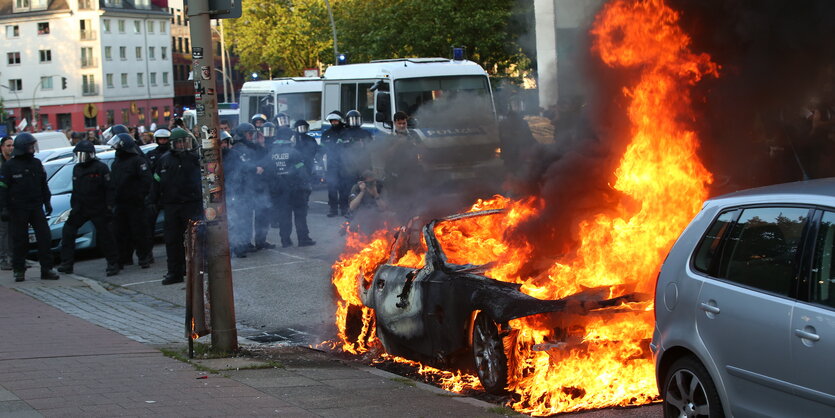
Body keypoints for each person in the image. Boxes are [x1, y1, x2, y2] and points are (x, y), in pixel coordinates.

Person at [0, 133, 59, 281]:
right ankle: (19, 270)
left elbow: (43, 185)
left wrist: (47, 201)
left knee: (45, 237)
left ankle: (47, 269)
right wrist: (4, 208)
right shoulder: (9, 166)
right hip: (17, 209)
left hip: (36, 207)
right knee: (20, 240)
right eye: (31, 146)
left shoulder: (36, 164)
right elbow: (3, 189)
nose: (33, 149)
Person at [57, 141, 120, 276]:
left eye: (83, 155)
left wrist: (109, 207)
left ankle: (113, 264)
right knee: (68, 232)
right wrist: (74, 207)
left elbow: (109, 188)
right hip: (81, 208)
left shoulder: (100, 167)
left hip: (99, 207)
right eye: (78, 155)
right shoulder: (77, 168)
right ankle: (67, 263)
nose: (81, 158)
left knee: (106, 236)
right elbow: (76, 189)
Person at [151, 128, 203, 285]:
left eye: (184, 142)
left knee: (195, 239)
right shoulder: (164, 160)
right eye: (178, 142)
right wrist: (152, 201)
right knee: (172, 240)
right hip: (172, 206)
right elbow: (156, 181)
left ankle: (197, 268)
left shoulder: (195, 159)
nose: (181, 145)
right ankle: (175, 272)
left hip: (191, 205)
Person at [109, 133, 154, 269]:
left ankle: (144, 257)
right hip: (121, 203)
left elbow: (147, 180)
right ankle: (124, 258)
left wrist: (141, 196)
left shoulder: (137, 161)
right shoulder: (116, 162)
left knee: (139, 231)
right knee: (121, 232)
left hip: (136, 203)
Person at [268, 129, 315, 247]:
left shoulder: (271, 153)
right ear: (289, 138)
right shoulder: (294, 153)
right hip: (296, 189)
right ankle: (303, 239)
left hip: (279, 190)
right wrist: (307, 184)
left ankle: (285, 240)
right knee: (300, 215)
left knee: (284, 216)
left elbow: (269, 171)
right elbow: (301, 171)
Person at [225, 122, 263, 257]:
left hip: (248, 189)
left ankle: (245, 242)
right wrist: (255, 169)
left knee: (247, 217)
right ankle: (240, 244)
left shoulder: (249, 147)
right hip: (240, 189)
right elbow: (243, 167)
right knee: (241, 218)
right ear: (242, 134)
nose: (251, 136)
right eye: (249, 133)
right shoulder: (239, 149)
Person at [252, 122, 275, 249]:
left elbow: (268, 160)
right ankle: (256, 241)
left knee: (265, 215)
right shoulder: (251, 149)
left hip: (266, 185)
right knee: (259, 215)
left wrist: (262, 144)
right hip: (256, 186)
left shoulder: (264, 147)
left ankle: (262, 240)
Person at [321, 110, 347, 217]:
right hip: (332, 165)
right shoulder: (326, 134)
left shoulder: (347, 132)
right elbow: (322, 149)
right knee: (332, 187)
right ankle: (333, 209)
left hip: (345, 164)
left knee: (344, 188)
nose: (334, 123)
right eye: (332, 121)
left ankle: (344, 208)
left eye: (336, 121)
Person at [346, 170, 388, 234]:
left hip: (376, 214)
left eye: (373, 181)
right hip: (360, 215)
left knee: (389, 218)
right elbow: (352, 207)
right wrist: (362, 191)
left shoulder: (379, 187)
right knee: (353, 226)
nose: (371, 184)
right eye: (369, 182)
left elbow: (384, 208)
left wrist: (376, 194)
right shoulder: (357, 187)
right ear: (363, 182)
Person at [0, 136, 14, 270]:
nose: (11, 148)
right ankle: (3, 259)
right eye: (8, 145)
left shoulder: (15, 161)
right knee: (3, 232)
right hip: (2, 203)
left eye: (12, 145)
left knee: (14, 231)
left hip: (14, 202)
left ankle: (15, 258)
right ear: (2, 147)